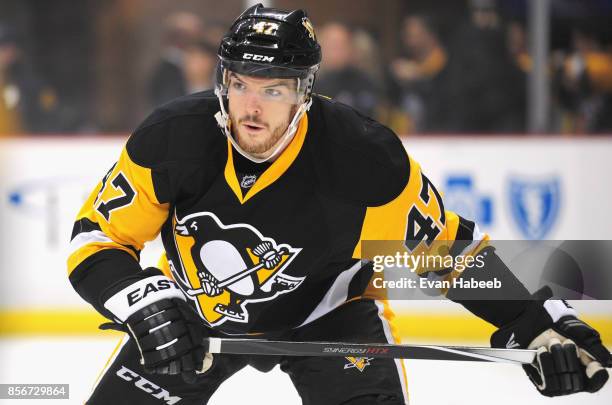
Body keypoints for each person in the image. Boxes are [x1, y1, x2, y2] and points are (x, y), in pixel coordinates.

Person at [67, 4, 611, 404]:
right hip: (198, 318)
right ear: (222, 83)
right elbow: (95, 241)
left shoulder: (362, 159)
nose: (251, 108)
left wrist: (541, 321)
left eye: (274, 89)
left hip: (332, 321)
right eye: (240, 85)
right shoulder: (173, 138)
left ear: (304, 92)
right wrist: (144, 303)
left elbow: (451, 256)